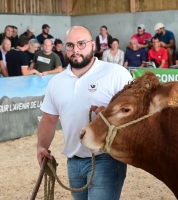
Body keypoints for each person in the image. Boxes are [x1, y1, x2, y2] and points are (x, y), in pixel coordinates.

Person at [37, 25, 131, 200]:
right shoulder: (56, 82)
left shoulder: (117, 74)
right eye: (70, 45)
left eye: (81, 44)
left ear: (93, 45)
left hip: (106, 158)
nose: (75, 50)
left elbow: (135, 118)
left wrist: (110, 115)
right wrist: (42, 147)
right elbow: (49, 119)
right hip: (73, 159)